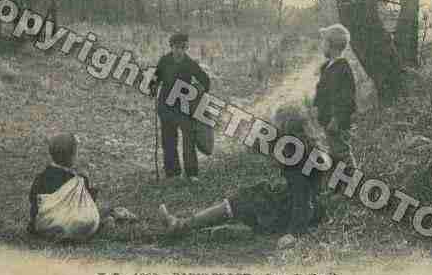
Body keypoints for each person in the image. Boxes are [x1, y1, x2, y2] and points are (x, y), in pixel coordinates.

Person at [158, 105, 325, 237]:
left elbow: (302, 201)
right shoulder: (306, 148)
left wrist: (293, 234)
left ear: (286, 128)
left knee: (247, 198)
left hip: (295, 210)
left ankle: (183, 225)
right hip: (303, 205)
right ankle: (237, 229)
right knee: (256, 193)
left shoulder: (295, 157)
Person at [27, 133, 136, 241]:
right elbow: (88, 204)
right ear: (72, 156)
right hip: (75, 226)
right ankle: (110, 219)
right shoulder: (78, 180)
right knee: (93, 217)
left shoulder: (41, 178)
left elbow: (33, 199)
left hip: (45, 226)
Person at [150, 33, 211, 183]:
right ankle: (172, 173)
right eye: (177, 47)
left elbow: (205, 81)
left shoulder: (190, 63)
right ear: (171, 47)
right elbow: (155, 79)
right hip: (166, 107)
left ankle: (191, 173)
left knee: (188, 141)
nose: (179, 51)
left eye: (183, 48)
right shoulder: (164, 61)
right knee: (168, 141)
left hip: (184, 108)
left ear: (186, 48)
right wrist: (152, 88)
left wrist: (197, 94)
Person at [313, 24, 357, 169]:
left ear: (331, 45)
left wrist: (337, 118)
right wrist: (316, 108)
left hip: (336, 121)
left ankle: (354, 184)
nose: (321, 46)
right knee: (334, 152)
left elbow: (346, 98)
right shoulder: (328, 67)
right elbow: (323, 93)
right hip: (327, 120)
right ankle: (340, 186)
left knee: (343, 153)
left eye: (323, 42)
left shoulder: (342, 68)